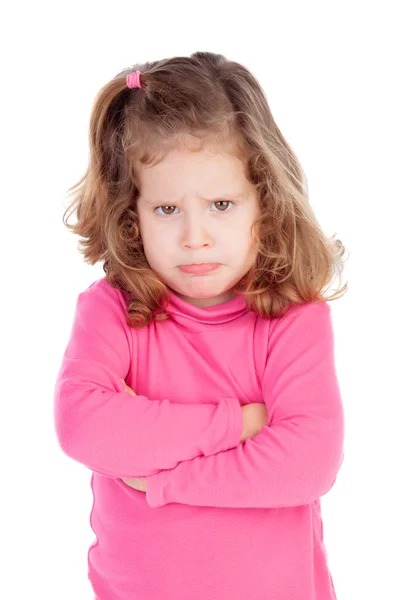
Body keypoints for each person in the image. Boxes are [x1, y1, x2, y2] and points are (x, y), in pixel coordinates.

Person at [54, 51, 347, 600]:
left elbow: (308, 462)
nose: (195, 237)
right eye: (167, 209)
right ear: (131, 213)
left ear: (264, 199)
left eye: (220, 204)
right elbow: (84, 427)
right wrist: (240, 425)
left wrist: (165, 480)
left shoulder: (293, 318)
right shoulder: (113, 310)